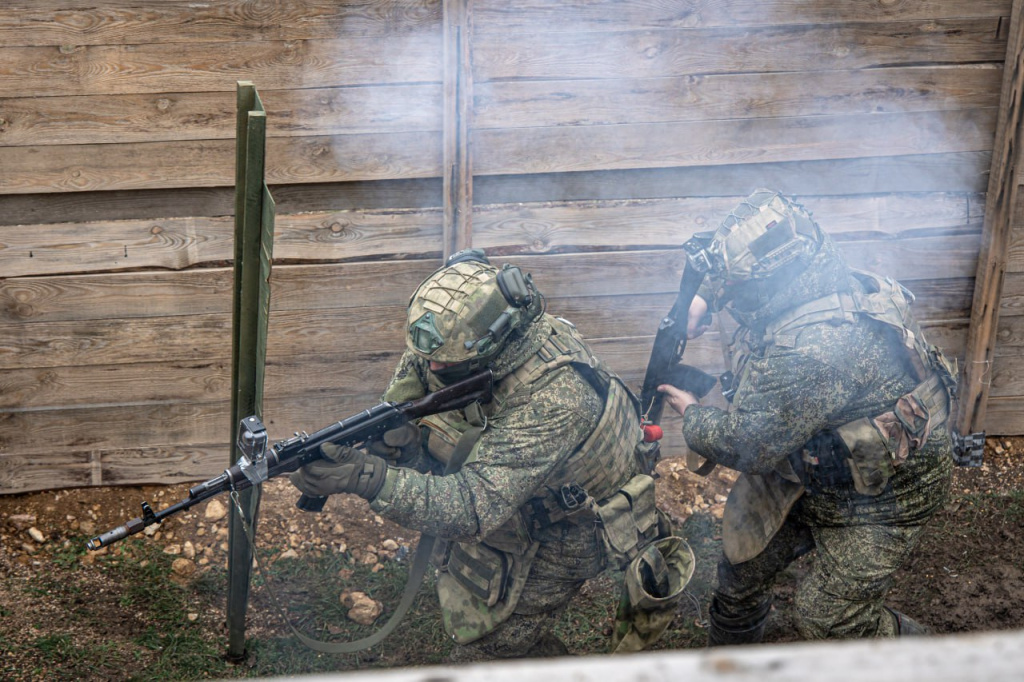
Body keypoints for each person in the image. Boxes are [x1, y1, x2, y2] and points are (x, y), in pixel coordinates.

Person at [288, 249, 692, 661]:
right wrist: (398, 438)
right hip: (518, 483)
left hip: (573, 524)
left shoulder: (558, 396)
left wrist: (367, 478)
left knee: (492, 644)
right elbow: (417, 381)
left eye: (442, 363)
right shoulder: (459, 335)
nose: (430, 366)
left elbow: (472, 508)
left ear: (491, 344)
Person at [657, 189, 957, 643]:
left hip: (885, 491)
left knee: (828, 619)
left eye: (736, 288)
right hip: (811, 459)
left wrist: (694, 415)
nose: (730, 294)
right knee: (740, 568)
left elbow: (749, 443)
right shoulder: (808, 270)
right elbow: (737, 267)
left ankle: (937, 661)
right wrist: (705, 299)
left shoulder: (815, 350)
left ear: (765, 282)